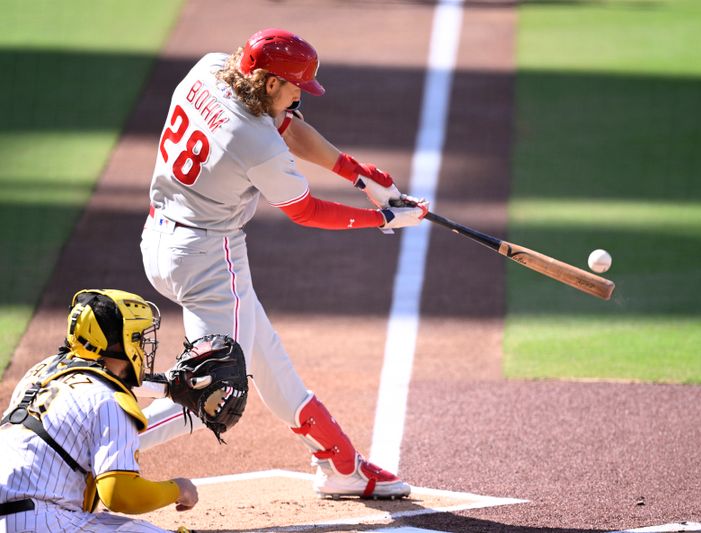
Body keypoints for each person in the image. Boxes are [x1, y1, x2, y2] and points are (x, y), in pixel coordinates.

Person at [138, 28, 427, 499]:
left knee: (263, 354)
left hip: (161, 237)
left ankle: (340, 465)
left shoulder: (210, 68)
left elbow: (285, 125)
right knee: (214, 389)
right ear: (271, 82)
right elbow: (307, 210)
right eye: (295, 85)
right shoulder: (255, 143)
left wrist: (358, 174)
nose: (300, 94)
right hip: (209, 263)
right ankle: (87, 448)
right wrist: (383, 218)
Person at [0, 289, 198, 532]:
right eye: (137, 337)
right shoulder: (108, 399)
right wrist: (178, 488)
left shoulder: (39, 372)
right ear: (122, 341)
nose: (142, 346)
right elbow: (120, 494)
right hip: (41, 521)